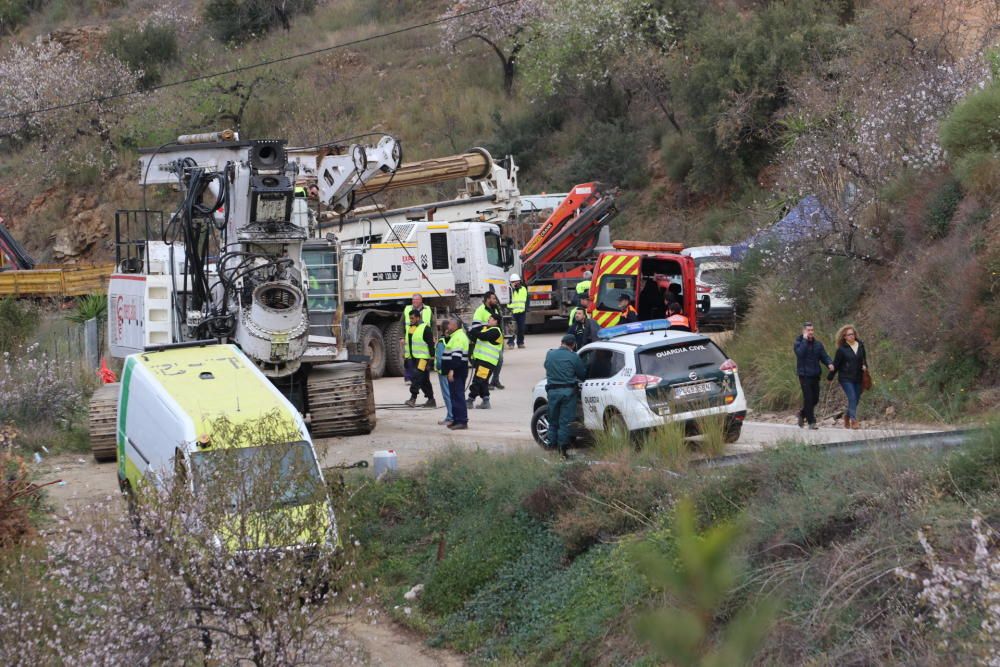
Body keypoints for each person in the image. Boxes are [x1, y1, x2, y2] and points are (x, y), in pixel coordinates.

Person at [544, 334, 587, 458]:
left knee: (553, 421)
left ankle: (551, 448)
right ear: (573, 345)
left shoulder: (550, 354)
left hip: (552, 392)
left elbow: (547, 367)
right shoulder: (573, 356)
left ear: (561, 342)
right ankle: (562, 451)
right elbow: (582, 374)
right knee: (565, 422)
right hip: (567, 393)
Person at [794, 322, 834, 430]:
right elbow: (800, 354)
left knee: (815, 399)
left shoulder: (818, 344)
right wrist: (805, 340)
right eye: (808, 330)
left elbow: (824, 356)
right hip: (804, 375)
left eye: (812, 330)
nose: (811, 332)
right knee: (808, 398)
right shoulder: (798, 343)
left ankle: (802, 414)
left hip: (815, 375)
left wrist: (829, 363)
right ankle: (812, 422)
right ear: (804, 331)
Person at [828, 324, 868, 429]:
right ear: (844, 337)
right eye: (849, 335)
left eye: (853, 334)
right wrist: (830, 377)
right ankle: (853, 421)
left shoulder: (861, 345)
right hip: (846, 378)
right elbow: (836, 364)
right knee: (852, 397)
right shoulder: (841, 350)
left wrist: (865, 367)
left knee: (856, 399)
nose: (851, 336)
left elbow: (864, 360)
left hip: (858, 377)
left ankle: (847, 416)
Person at [468, 313, 503, 409]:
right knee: (483, 382)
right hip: (482, 360)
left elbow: (483, 336)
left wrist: (472, 330)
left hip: (487, 362)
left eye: (490, 319)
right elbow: (476, 338)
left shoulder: (496, 331)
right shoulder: (486, 329)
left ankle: (470, 400)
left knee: (478, 381)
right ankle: (486, 401)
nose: (488, 320)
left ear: (496, 321)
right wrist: (469, 332)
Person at [441, 316, 470, 430]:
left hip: (457, 371)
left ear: (455, 326)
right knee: (454, 396)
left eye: (450, 324)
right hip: (455, 371)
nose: (448, 326)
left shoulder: (458, 337)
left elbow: (456, 356)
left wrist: (452, 370)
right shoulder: (455, 336)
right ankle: (456, 420)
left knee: (458, 396)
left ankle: (462, 421)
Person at [403, 310, 436, 408]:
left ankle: (413, 398)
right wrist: (406, 355)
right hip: (414, 358)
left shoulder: (426, 328)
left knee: (416, 377)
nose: (411, 320)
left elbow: (431, 344)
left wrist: (431, 360)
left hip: (423, 359)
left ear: (418, 318)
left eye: (412, 318)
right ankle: (431, 400)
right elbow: (409, 344)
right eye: (410, 318)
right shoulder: (411, 328)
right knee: (424, 380)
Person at [402, 294, 432, 384]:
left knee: (422, 360)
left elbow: (432, 323)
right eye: (413, 300)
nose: (414, 301)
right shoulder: (407, 309)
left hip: (423, 339)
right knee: (410, 359)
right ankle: (410, 378)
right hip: (410, 339)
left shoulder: (428, 310)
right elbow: (401, 323)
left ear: (421, 300)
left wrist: (433, 336)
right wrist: (401, 337)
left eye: (416, 299)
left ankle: (423, 378)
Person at [433, 335, 453, 426]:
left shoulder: (442, 342)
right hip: (454, 370)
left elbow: (440, 360)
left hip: (444, 372)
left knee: (447, 394)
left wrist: (439, 368)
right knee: (453, 394)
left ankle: (450, 417)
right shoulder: (456, 338)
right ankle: (454, 416)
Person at [509, 273, 528, 348]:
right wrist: (513, 289)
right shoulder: (509, 289)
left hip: (521, 312)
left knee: (521, 328)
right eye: (514, 282)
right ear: (511, 282)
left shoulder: (523, 289)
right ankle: (510, 343)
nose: (516, 283)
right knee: (512, 329)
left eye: (517, 281)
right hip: (512, 312)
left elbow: (526, 299)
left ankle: (520, 343)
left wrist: (526, 308)